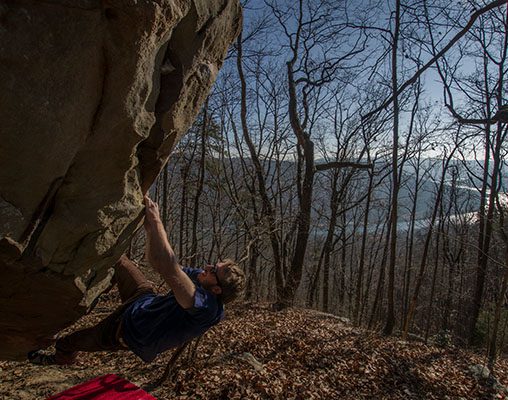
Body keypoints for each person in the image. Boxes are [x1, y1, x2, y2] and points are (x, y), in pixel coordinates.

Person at [28, 196, 246, 365]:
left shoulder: (208, 309)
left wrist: (157, 221)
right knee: (118, 260)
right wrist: (150, 229)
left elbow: (168, 268)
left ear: (216, 290)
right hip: (144, 300)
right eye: (213, 264)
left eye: (213, 270)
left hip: (124, 333)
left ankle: (61, 358)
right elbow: (156, 262)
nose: (208, 266)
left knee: (69, 342)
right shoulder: (202, 279)